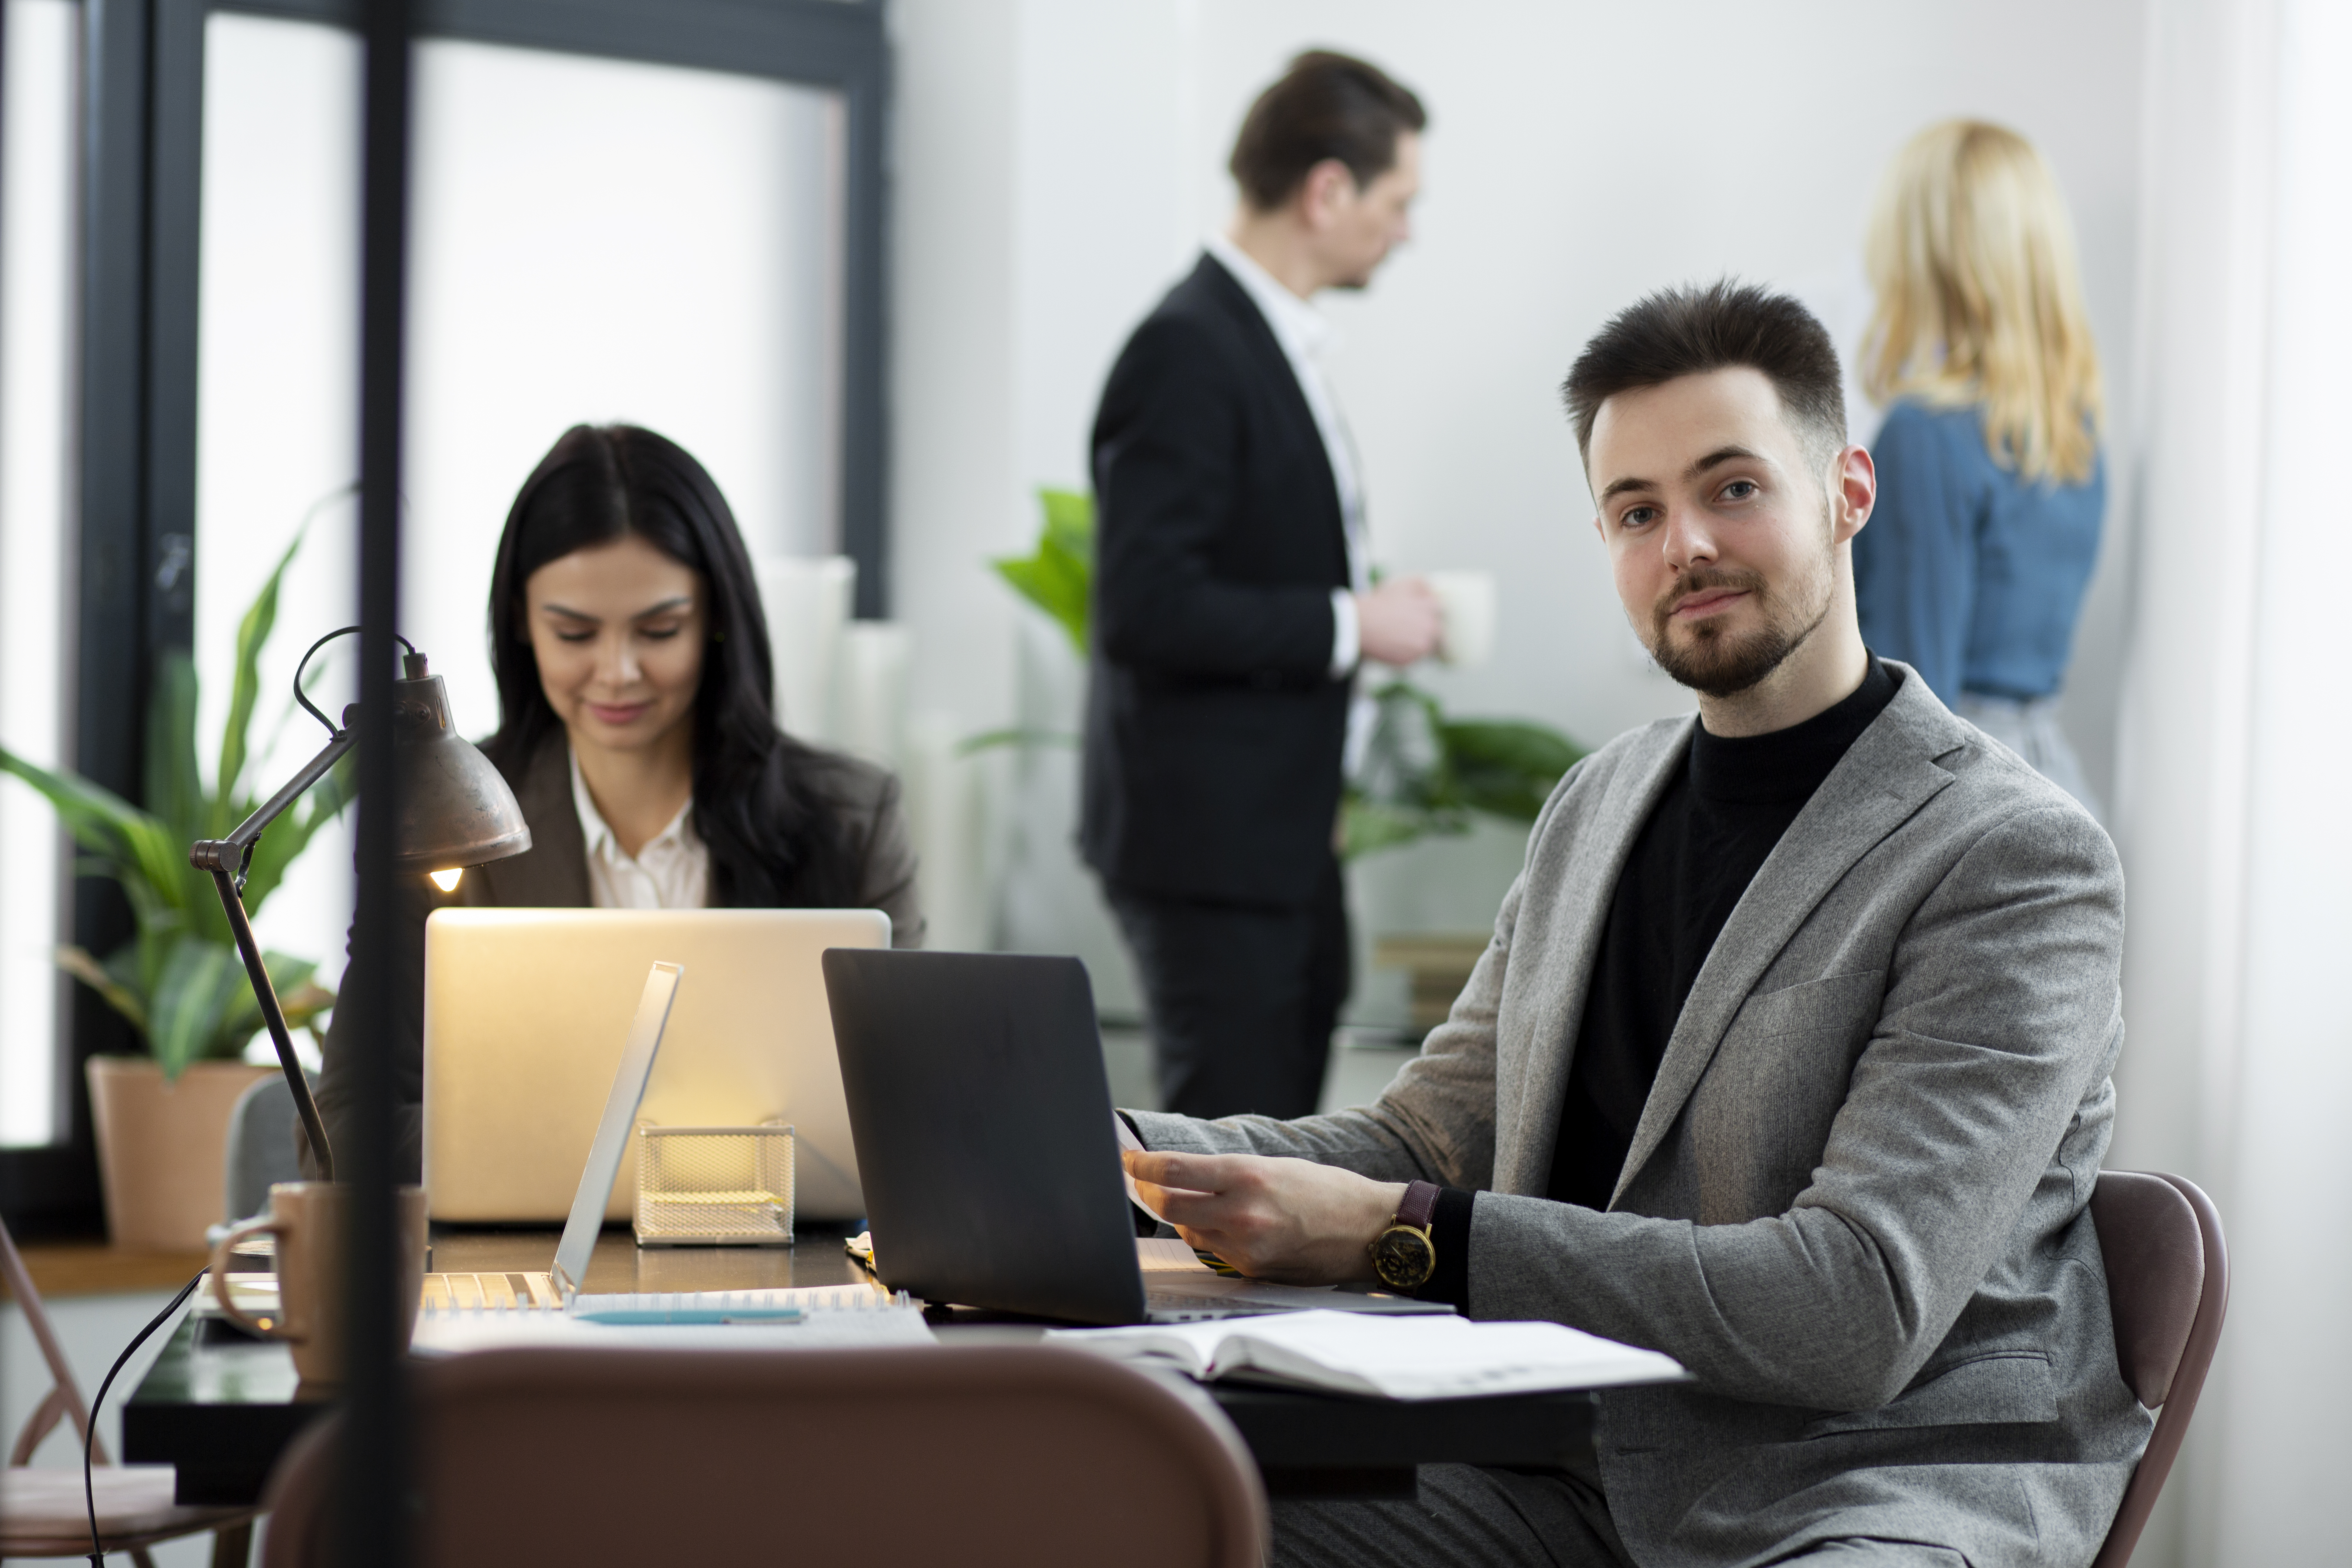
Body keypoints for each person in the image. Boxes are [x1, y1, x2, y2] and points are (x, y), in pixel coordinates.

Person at [1120, 284, 2146, 1567]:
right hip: (1576, 1473)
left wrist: (1409, 1236)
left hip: (1867, 1492)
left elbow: (1852, 1307)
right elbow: (1421, 1134)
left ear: (1847, 494)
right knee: (1141, 1508)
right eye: (1637, 513)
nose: (1685, 549)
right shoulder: (1596, 806)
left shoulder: (2013, 858)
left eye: (1732, 490)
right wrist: (1108, 1153)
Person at [311, 424, 922, 1180]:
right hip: (521, 1282)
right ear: (522, 627)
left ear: (718, 620)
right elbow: (339, 1132)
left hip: (787, 1276)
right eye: (574, 633)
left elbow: (913, 1111)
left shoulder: (851, 820)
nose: (618, 671)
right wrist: (621, 1155)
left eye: (660, 630)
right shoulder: (437, 822)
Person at [1083, 50, 1444, 1123]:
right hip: (1212, 853)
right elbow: (1144, 605)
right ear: (1326, 190)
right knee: (1230, 1161)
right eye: (1398, 201)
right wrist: (1353, 622)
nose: (1407, 230)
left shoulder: (1262, 341)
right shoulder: (1189, 348)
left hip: (1273, 843)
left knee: (1281, 1146)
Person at [1855, 119, 2108, 816]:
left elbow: (1915, 705)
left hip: (1957, 799)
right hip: (2053, 785)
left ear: (1921, 257)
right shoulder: (2071, 432)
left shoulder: (1923, 435)